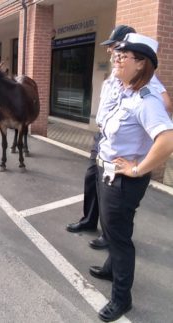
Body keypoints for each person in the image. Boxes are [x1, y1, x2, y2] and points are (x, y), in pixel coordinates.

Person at [89, 33, 173, 322]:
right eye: (116, 54)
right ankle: (111, 268)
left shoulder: (147, 99)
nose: (116, 58)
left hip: (124, 180)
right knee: (110, 228)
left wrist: (138, 169)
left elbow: (167, 140)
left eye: (123, 56)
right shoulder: (125, 91)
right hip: (107, 170)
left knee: (120, 237)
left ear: (141, 64)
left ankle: (121, 298)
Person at [66, 25, 172, 251]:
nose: (112, 53)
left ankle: (110, 236)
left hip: (123, 144)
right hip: (104, 138)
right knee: (93, 181)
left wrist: (140, 118)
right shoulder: (116, 74)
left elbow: (165, 105)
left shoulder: (144, 80)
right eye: (115, 50)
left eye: (117, 49)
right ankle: (89, 220)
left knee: (116, 199)